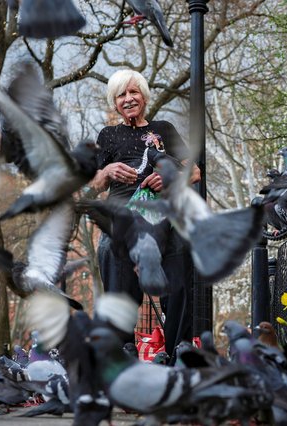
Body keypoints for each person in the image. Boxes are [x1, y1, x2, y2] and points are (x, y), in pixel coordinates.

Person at [88, 69, 200, 359]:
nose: (128, 99)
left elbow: (195, 172)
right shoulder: (109, 135)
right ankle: (124, 350)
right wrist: (107, 170)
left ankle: (178, 351)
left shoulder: (163, 129)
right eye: (121, 95)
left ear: (144, 96)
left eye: (133, 92)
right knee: (111, 249)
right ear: (114, 103)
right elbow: (94, 183)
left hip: (164, 215)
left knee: (180, 257)